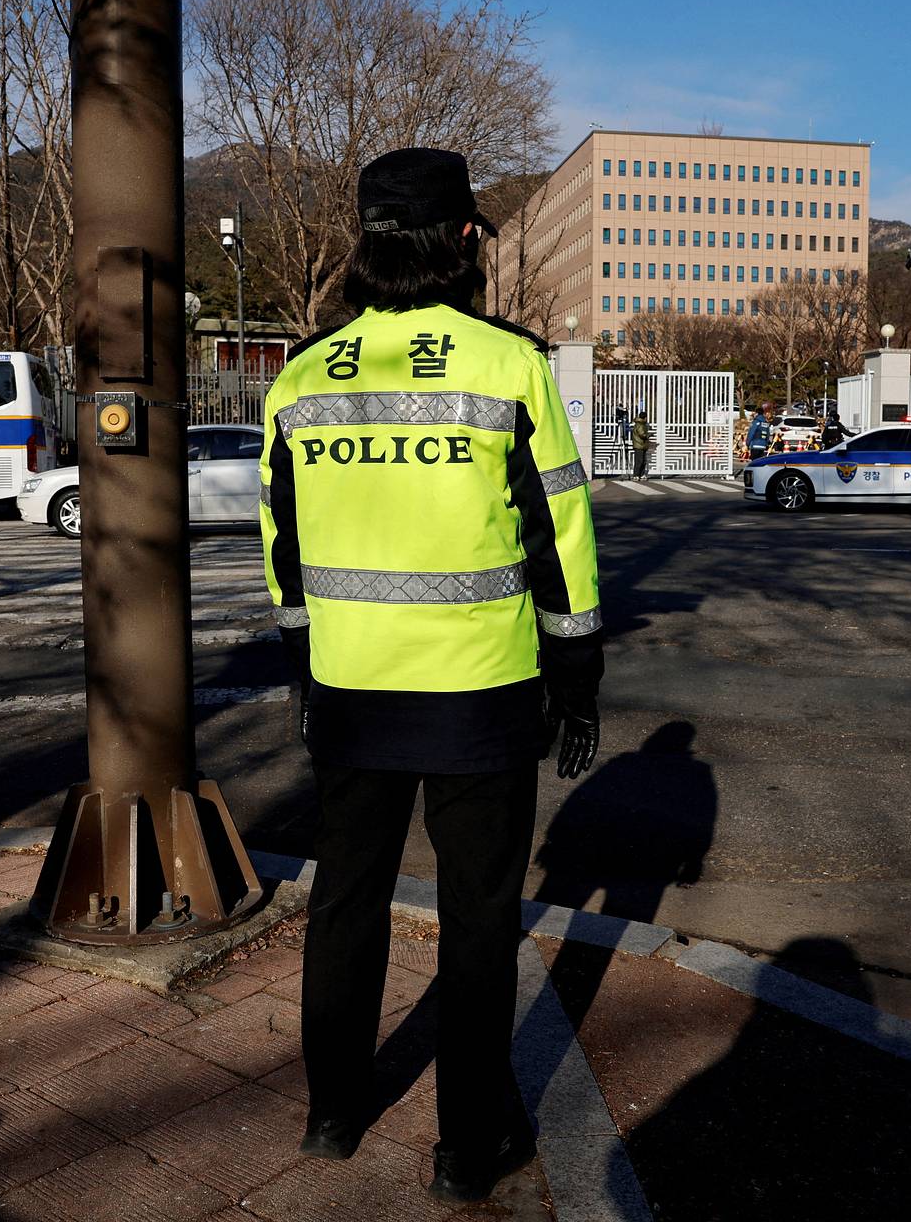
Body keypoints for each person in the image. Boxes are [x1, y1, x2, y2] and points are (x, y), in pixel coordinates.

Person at [258, 147, 602, 1205]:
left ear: (366, 247)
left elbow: (280, 539)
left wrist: (303, 659)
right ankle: (464, 1144)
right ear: (462, 242)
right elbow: (559, 531)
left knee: (345, 901)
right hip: (480, 692)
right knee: (478, 916)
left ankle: (331, 1110)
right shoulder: (507, 364)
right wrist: (575, 673)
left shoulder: (304, 371)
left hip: (352, 690)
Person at [631, 410, 651, 479]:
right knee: (639, 461)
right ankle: (636, 475)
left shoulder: (640, 424)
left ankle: (641, 474)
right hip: (639, 445)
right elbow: (642, 434)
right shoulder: (640, 425)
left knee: (643, 461)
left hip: (641, 445)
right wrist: (648, 435)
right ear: (645, 418)